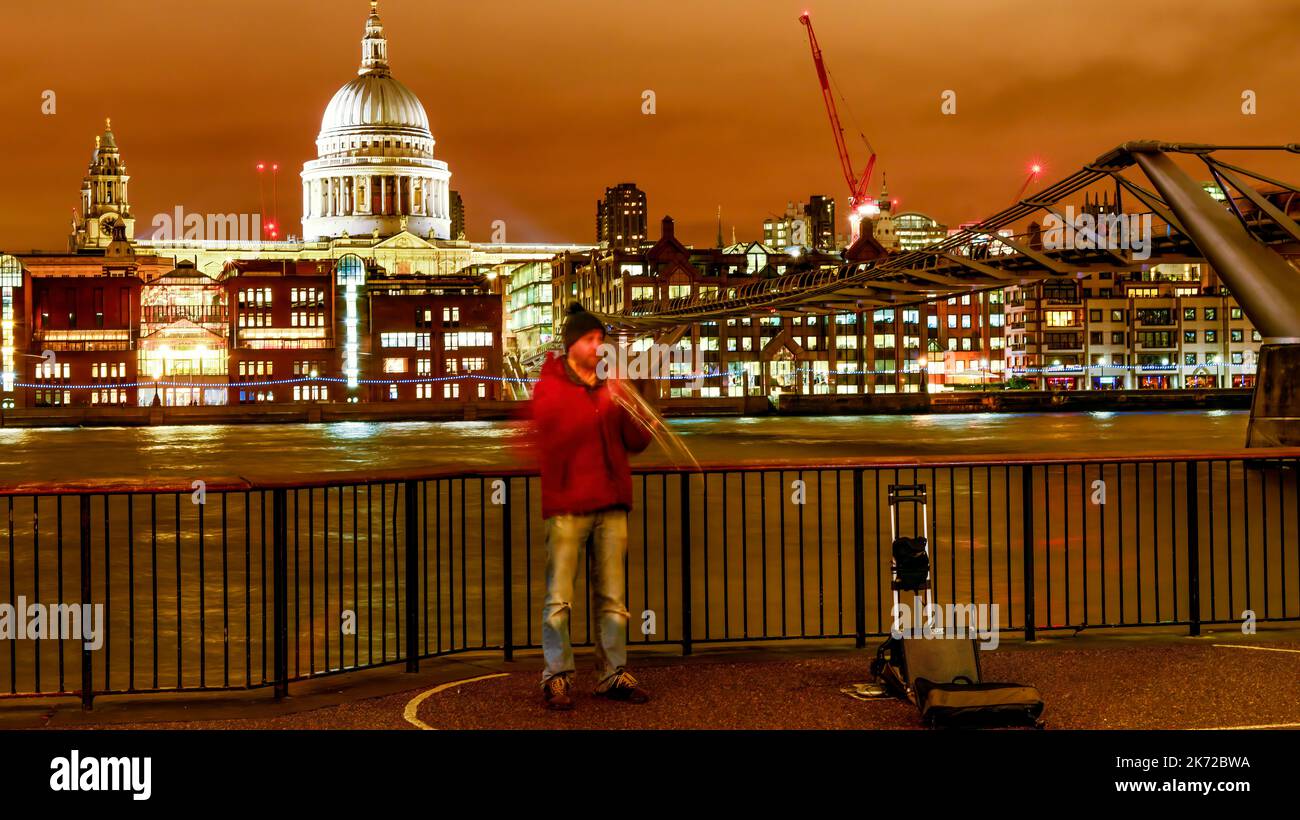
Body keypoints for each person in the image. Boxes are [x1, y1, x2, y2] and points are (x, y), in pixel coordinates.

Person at [528, 302, 659, 710]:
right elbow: (556, 431)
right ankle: (556, 676)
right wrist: (608, 392)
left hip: (611, 502)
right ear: (571, 346)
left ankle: (612, 674)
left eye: (601, 339)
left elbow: (635, 442)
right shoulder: (550, 385)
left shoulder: (611, 387)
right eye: (590, 339)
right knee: (559, 599)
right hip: (568, 504)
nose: (598, 346)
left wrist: (641, 405)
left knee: (613, 599)